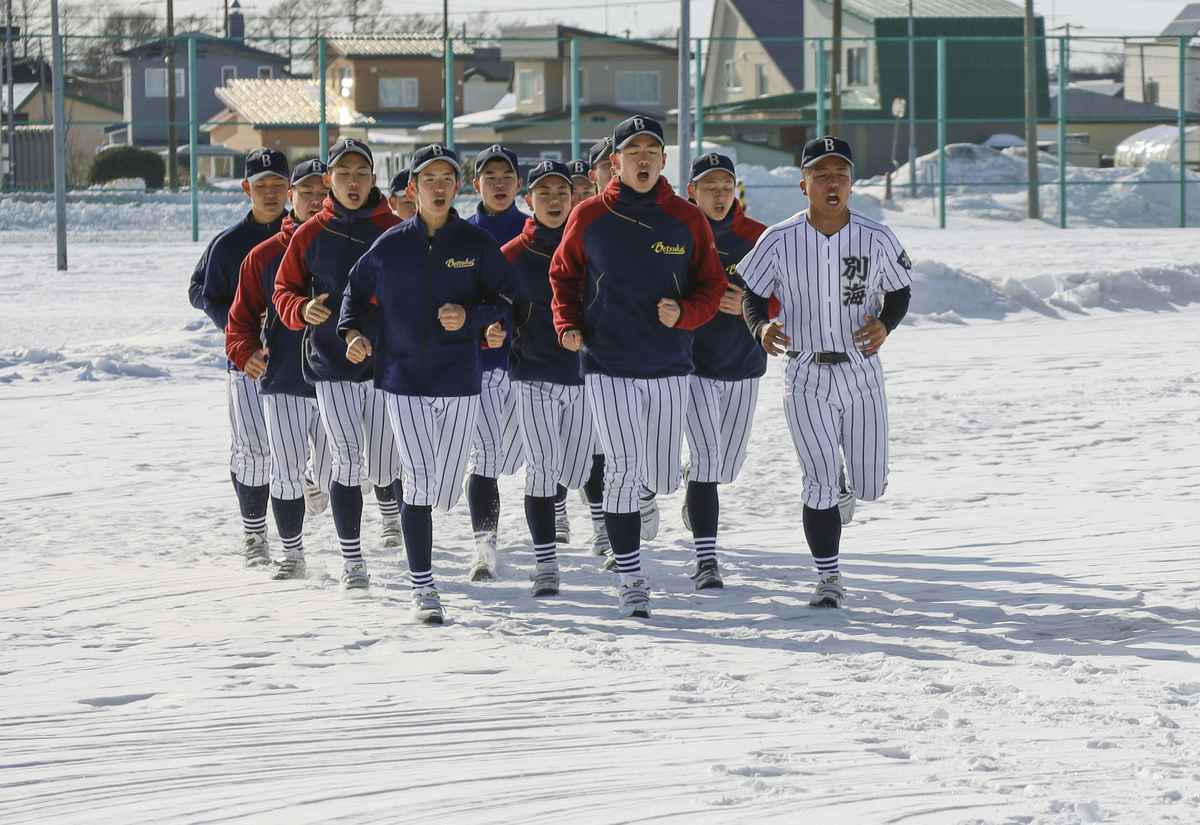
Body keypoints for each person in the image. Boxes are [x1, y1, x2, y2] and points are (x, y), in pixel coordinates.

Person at [550, 115, 727, 618]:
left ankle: (646, 496)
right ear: (616, 163)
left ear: (663, 160)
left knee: (662, 475)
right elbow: (562, 278)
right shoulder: (588, 217)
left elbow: (711, 287)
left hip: (670, 366)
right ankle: (631, 579)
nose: (644, 159)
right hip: (608, 365)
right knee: (624, 472)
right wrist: (568, 326)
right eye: (634, 152)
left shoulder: (686, 218)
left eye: (652, 150)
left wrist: (686, 313)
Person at [339, 143, 513, 624]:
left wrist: (473, 316)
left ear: (456, 188)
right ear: (412, 190)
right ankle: (424, 587)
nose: (438, 188)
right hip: (403, 379)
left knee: (443, 487)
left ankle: (435, 532)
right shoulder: (390, 246)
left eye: (446, 179)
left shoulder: (476, 245)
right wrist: (351, 333)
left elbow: (505, 299)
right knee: (417, 481)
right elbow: (353, 296)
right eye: (429, 180)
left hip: (460, 379)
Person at [739, 136, 913, 608]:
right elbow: (752, 293)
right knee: (816, 480)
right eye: (821, 175)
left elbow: (899, 291)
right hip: (807, 373)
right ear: (804, 185)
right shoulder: (779, 238)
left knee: (870, 485)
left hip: (861, 373)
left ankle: (843, 485)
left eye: (840, 174)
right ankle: (828, 578)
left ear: (852, 184)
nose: (831, 182)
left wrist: (886, 323)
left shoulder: (876, 237)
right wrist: (759, 328)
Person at [273, 137, 405, 592]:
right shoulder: (311, 233)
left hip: (387, 368)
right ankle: (353, 560)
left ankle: (394, 519)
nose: (352, 182)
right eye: (343, 174)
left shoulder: (395, 228)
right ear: (329, 180)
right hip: (330, 363)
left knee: (388, 464)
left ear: (374, 178)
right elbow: (283, 291)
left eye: (361, 173)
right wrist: (300, 309)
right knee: (347, 461)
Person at [225, 159, 333, 580]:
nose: (315, 199)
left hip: (338, 380)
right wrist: (244, 350)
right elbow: (239, 319)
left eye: (323, 192)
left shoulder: (350, 247)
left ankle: (326, 506)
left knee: (336, 474)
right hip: (284, 379)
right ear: (293, 198)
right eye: (306, 192)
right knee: (283, 470)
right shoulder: (264, 255)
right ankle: (293, 553)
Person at [681, 152, 779, 590]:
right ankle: (706, 561)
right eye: (710, 188)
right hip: (692, 367)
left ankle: (695, 485)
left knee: (727, 468)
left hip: (742, 364)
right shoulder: (680, 233)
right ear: (692, 192)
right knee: (706, 461)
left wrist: (749, 308)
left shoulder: (757, 236)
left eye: (726, 187)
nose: (719, 196)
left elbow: (784, 296)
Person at [188, 148, 288, 565]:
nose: (269, 194)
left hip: (300, 361)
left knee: (301, 446)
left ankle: (302, 516)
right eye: (260, 186)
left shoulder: (305, 236)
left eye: (277, 186)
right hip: (245, 361)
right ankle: (254, 534)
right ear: (246, 188)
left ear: (290, 189)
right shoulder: (229, 244)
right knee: (252, 449)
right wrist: (240, 337)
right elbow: (203, 293)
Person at [502, 161, 595, 598]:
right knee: (541, 469)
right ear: (529, 200)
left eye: (562, 192)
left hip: (584, 376)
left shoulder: (592, 247)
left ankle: (578, 513)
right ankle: (546, 564)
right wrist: (493, 329)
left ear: (574, 197)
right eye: (545, 193)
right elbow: (489, 305)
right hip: (532, 374)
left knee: (577, 469)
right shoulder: (511, 257)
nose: (555, 200)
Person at [462, 144, 529, 580]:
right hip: (480, 366)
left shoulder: (536, 230)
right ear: (476, 185)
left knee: (529, 458)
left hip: (531, 365)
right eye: (491, 177)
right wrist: (476, 328)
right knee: (484, 458)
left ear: (519, 183)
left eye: (507, 176)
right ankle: (484, 548)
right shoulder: (461, 235)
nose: (500, 184)